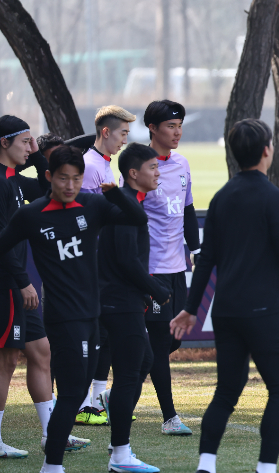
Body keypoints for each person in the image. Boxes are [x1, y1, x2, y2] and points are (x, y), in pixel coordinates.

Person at [170, 118, 279, 473]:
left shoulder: (221, 198)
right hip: (263, 310)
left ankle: (207, 464)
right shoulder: (273, 197)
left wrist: (190, 308)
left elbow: (205, 261)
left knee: (227, 392)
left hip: (226, 310)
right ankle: (265, 468)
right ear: (266, 151)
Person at [0, 144, 147, 473]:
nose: (69, 186)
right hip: (64, 318)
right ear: (49, 176)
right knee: (70, 394)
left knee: (79, 390)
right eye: (63, 178)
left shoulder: (93, 204)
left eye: (76, 179)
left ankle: (113, 459)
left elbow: (137, 218)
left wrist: (117, 195)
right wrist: (19, 278)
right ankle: (52, 466)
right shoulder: (31, 214)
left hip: (92, 314)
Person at [0, 117, 89, 459]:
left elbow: (46, 187)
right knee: (6, 360)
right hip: (10, 284)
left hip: (19, 283)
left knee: (41, 352)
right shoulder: (0, 184)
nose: (30, 147)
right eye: (24, 142)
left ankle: (53, 434)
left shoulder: (16, 180)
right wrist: (22, 281)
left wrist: (37, 154)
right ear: (4, 143)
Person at [96, 143, 172, 473]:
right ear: (133, 174)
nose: (158, 173)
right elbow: (127, 261)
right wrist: (156, 289)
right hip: (119, 300)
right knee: (130, 372)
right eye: (153, 168)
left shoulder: (129, 203)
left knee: (145, 359)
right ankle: (120, 456)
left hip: (123, 298)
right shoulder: (125, 207)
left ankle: (115, 408)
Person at [141, 99, 200, 435]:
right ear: (152, 128)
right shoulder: (138, 165)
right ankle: (169, 417)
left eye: (179, 126)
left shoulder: (182, 163)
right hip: (150, 269)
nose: (176, 133)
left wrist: (197, 248)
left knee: (172, 339)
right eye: (170, 127)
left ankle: (117, 386)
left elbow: (188, 211)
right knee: (161, 341)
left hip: (178, 267)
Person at [77, 106, 137, 426]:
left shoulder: (103, 164)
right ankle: (85, 401)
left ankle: (96, 400)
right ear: (105, 132)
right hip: (93, 266)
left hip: (104, 265)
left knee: (107, 335)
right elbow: (87, 220)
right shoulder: (89, 166)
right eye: (122, 134)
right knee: (94, 335)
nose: (125, 141)